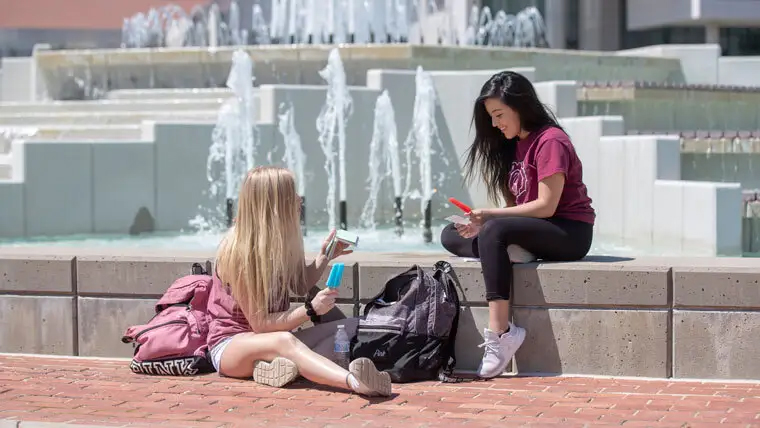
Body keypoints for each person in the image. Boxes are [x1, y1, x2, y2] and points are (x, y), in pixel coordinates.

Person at [440, 71, 595, 379]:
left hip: (569, 230)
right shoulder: (515, 144)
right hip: (537, 229)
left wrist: (492, 218)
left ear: (520, 106)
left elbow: (547, 206)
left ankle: (501, 334)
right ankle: (508, 251)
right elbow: (519, 207)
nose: (496, 124)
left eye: (499, 115)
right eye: (491, 117)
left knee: (495, 230)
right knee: (450, 235)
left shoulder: (550, 141)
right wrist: (481, 225)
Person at [206, 166, 392, 397]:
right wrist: (310, 309)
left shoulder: (278, 240)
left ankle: (288, 369)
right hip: (232, 346)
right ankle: (354, 382)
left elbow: (298, 285)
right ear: (274, 202)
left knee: (351, 325)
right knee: (285, 341)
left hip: (269, 340)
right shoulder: (240, 250)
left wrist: (324, 257)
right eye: (291, 194)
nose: (298, 199)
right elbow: (261, 325)